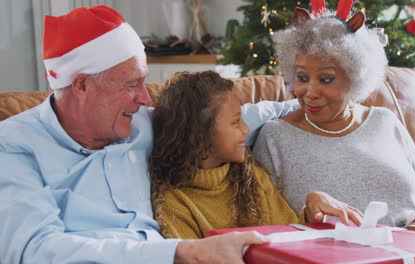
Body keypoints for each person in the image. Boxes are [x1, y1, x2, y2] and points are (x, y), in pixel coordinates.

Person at [0, 6, 303, 264]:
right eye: (132, 84)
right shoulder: (12, 146)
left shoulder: (143, 123)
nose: (145, 98)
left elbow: (235, 119)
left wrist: (325, 103)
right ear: (82, 86)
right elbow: (32, 249)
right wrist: (181, 252)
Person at [252, 4, 415, 237]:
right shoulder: (274, 137)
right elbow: (261, 219)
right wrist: (307, 216)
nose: (310, 91)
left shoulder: (385, 122)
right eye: (302, 77)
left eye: (325, 79)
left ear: (356, 77)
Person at [148, 71, 362, 239]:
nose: (245, 129)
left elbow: (287, 238)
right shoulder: (174, 205)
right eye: (235, 122)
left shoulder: (251, 178)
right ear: (199, 135)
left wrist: (311, 213)